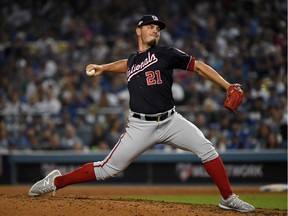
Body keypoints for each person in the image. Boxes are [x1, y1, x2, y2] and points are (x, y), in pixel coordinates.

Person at [28, 15, 255, 213]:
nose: (155, 29)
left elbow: (198, 66)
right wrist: (105, 68)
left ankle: (228, 199)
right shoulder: (133, 60)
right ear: (138, 30)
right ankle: (55, 181)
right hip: (140, 126)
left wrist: (226, 85)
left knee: (207, 149)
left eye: (158, 27)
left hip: (171, 121)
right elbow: (126, 64)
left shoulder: (167, 53)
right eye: (150, 25)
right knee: (107, 170)